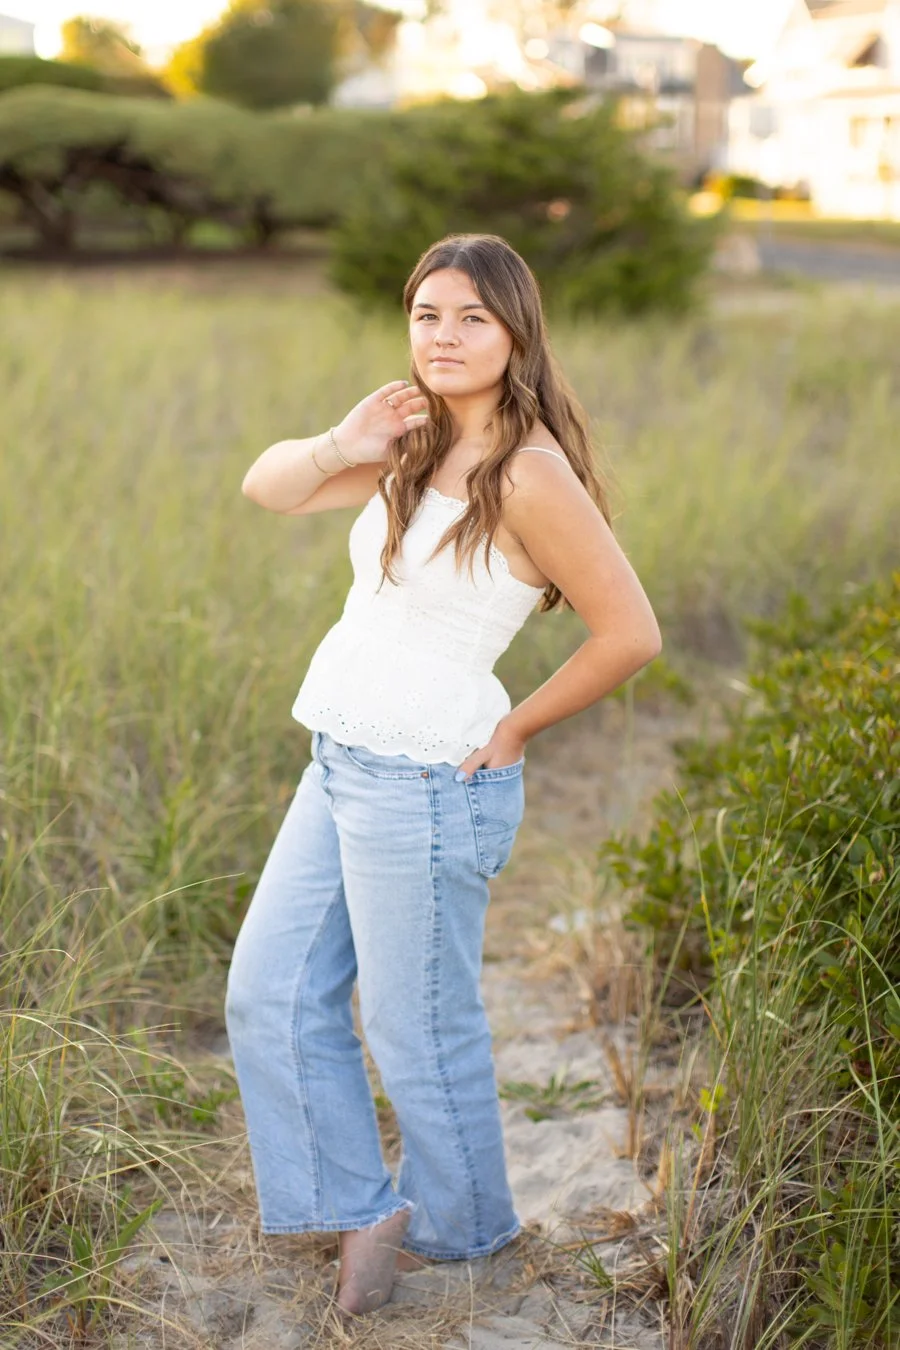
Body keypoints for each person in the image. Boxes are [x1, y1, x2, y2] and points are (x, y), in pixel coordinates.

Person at [224, 233, 661, 1316]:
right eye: (427, 315)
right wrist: (345, 438)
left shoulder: (529, 471)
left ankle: (470, 1242)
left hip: (426, 778)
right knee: (268, 992)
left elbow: (630, 632)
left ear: (515, 332)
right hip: (339, 756)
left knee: (416, 1027)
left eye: (471, 317)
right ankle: (363, 1206)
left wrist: (514, 729)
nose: (445, 336)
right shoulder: (409, 442)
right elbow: (267, 487)